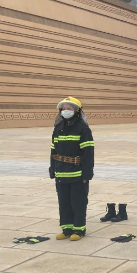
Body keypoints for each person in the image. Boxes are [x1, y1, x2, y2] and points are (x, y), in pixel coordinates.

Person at [50, 97, 94, 241]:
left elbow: (88, 153)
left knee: (78, 202)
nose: (65, 111)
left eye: (69, 109)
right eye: (63, 109)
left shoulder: (83, 129)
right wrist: (52, 168)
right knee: (64, 202)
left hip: (77, 173)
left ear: (77, 111)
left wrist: (87, 174)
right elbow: (53, 150)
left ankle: (79, 229)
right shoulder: (58, 128)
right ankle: (66, 229)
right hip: (61, 172)